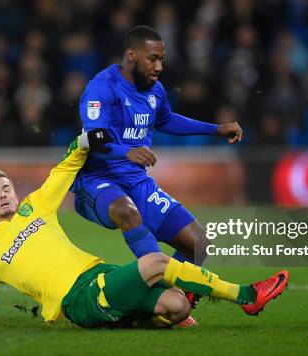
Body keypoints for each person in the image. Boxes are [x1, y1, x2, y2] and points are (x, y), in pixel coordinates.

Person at [0, 130, 288, 331]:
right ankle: (246, 296)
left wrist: (84, 140)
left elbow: (65, 168)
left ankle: (128, 319)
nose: (3, 195)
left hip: (99, 275)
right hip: (79, 299)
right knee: (157, 262)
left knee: (178, 308)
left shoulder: (36, 206)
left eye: (5, 187)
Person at [72, 26, 243, 316]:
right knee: (126, 211)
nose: (159, 67)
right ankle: (164, 297)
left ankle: (169, 304)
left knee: (198, 243)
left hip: (136, 180)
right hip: (96, 179)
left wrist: (215, 129)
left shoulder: (155, 90)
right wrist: (125, 151)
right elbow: (92, 138)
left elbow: (167, 120)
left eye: (161, 59)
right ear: (131, 55)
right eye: (152, 59)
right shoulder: (102, 87)